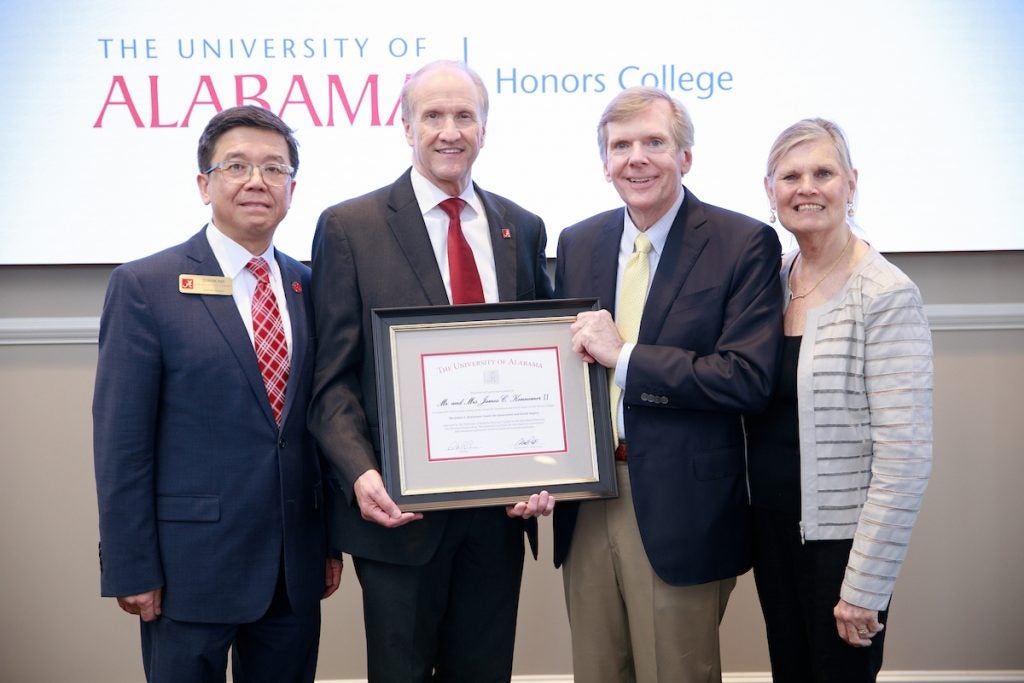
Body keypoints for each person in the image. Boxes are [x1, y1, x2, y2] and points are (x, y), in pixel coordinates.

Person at [307, 59, 555, 682]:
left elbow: (543, 369)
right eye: (433, 115)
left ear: (485, 128)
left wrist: (551, 464)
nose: (450, 131)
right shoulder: (349, 227)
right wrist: (360, 471)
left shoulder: (521, 227)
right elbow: (330, 381)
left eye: (464, 115)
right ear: (405, 126)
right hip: (399, 514)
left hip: (498, 519)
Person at [93, 105, 342, 683]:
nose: (257, 181)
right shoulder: (145, 286)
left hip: (293, 569)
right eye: (237, 166)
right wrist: (132, 565)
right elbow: (121, 444)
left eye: (274, 169)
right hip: (188, 572)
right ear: (204, 184)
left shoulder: (311, 285)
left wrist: (329, 542)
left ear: (292, 188)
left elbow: (318, 424)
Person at [552, 86, 784, 682]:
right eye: (621, 145)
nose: (637, 158)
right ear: (604, 163)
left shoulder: (742, 242)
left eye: (655, 142)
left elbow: (746, 379)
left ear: (686, 156)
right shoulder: (578, 242)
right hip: (589, 497)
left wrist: (625, 356)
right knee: (597, 672)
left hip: (683, 506)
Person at [748, 117, 933, 681]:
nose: (806, 187)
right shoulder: (769, 283)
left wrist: (866, 586)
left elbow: (905, 460)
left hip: (843, 549)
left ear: (851, 183)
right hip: (772, 536)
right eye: (790, 175)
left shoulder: (886, 294)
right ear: (770, 191)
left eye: (823, 172)